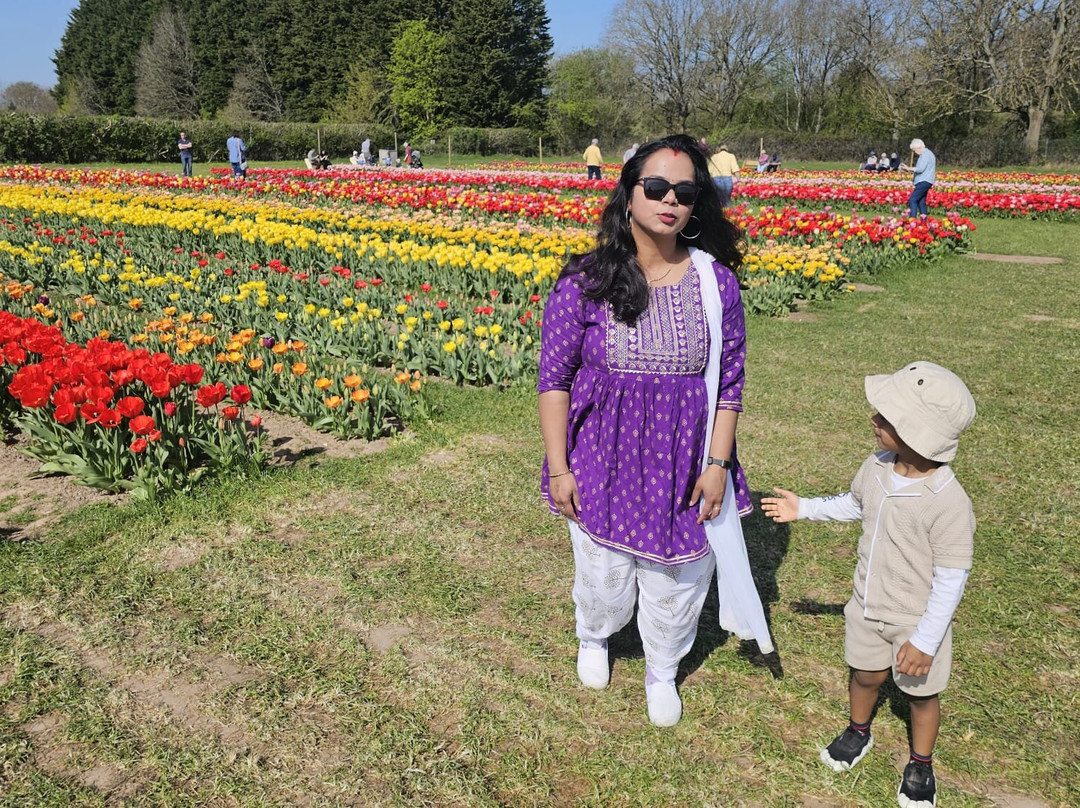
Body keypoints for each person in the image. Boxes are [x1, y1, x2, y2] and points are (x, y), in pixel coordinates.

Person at [539, 134, 774, 728]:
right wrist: (560, 467)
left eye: (686, 191)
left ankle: (662, 667)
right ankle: (594, 637)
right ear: (627, 192)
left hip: (683, 459)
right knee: (604, 573)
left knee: (680, 574)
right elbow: (554, 379)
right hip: (601, 456)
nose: (671, 200)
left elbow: (729, 384)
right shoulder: (585, 281)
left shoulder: (714, 284)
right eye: (656, 187)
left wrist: (717, 465)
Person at [761, 361, 976, 808]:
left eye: (887, 418)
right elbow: (853, 505)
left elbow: (952, 579)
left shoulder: (948, 501)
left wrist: (926, 640)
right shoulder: (877, 467)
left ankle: (920, 762)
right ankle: (859, 731)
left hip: (915, 620)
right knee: (865, 675)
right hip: (865, 606)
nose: (873, 421)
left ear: (918, 433)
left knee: (921, 695)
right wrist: (806, 509)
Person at [902, 139, 936, 217]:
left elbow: (920, 169)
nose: (915, 152)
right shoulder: (928, 153)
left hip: (923, 181)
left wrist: (908, 168)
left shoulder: (925, 155)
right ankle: (923, 222)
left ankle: (912, 220)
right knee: (921, 202)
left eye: (914, 150)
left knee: (912, 200)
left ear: (919, 147)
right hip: (926, 181)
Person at [707, 143, 740, 208]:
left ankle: (718, 213)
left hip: (716, 178)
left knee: (718, 199)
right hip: (727, 178)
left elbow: (709, 171)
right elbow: (735, 169)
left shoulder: (714, 157)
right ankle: (728, 212)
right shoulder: (731, 156)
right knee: (727, 199)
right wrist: (738, 179)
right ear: (726, 149)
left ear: (719, 149)